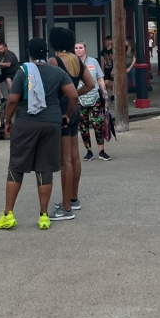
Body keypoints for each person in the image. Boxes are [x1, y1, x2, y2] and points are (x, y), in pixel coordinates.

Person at [0, 37, 78, 231]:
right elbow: (73, 96)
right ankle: (43, 216)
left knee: (17, 166)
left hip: (26, 123)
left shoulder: (23, 71)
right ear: (46, 52)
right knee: (44, 167)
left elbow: (13, 100)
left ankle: (8, 215)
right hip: (51, 123)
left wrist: (8, 121)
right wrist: (66, 115)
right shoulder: (58, 72)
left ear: (29, 53)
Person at [47, 27, 96, 221]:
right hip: (75, 108)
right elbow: (90, 84)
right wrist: (74, 95)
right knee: (75, 157)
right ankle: (73, 198)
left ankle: (66, 208)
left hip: (61, 109)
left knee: (65, 160)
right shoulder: (77, 59)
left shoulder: (54, 61)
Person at [75, 41, 109, 160]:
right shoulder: (72, 63)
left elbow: (100, 79)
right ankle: (88, 151)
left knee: (98, 124)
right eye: (76, 48)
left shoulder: (93, 62)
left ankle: (101, 151)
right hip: (79, 98)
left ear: (85, 49)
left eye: (80, 47)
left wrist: (105, 95)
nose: (78, 50)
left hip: (95, 96)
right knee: (83, 126)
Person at [98, 36, 115, 103]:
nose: (108, 42)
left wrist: (114, 69)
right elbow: (103, 60)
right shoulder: (104, 50)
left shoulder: (113, 49)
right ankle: (115, 92)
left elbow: (115, 60)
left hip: (113, 68)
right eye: (107, 40)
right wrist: (102, 69)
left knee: (114, 82)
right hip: (106, 68)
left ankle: (113, 96)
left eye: (110, 40)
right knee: (106, 82)